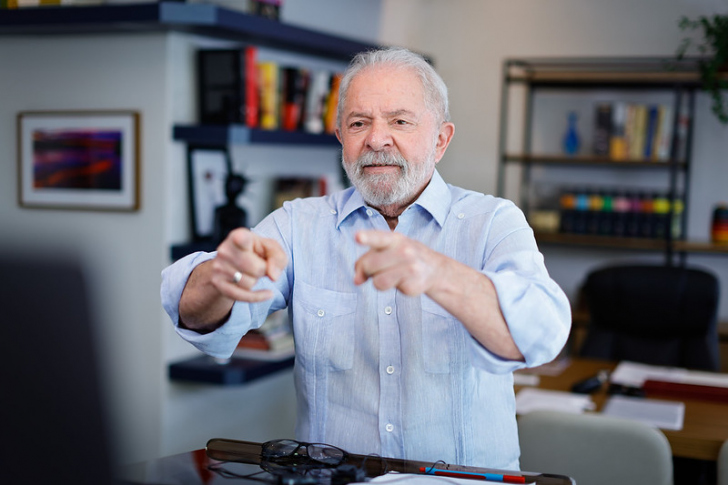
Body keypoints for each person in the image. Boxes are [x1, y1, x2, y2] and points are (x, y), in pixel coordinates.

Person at [161, 46, 571, 470]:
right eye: (359, 123)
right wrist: (217, 277)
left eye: (399, 121)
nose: (376, 138)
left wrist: (439, 274)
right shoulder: (299, 223)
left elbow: (540, 334)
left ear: (440, 140)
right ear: (341, 137)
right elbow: (195, 315)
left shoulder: (493, 221)